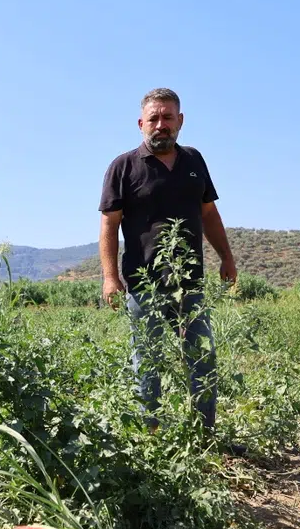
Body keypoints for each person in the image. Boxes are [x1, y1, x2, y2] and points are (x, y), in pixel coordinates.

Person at [98, 87, 238, 433]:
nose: (161, 124)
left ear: (180, 120)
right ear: (141, 123)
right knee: (148, 361)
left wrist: (226, 257)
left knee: (202, 357)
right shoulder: (123, 166)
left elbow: (208, 213)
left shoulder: (194, 161)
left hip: (190, 284)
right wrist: (110, 277)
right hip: (143, 284)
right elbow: (109, 224)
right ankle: (152, 437)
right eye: (154, 118)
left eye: (168, 117)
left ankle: (204, 434)